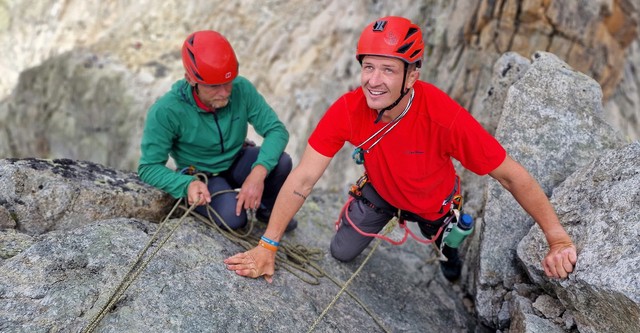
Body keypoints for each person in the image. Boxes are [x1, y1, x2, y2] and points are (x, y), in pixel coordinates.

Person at [224, 16, 577, 283]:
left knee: (446, 246)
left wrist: (557, 238)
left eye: (388, 70)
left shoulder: (444, 117)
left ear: (412, 76)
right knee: (340, 252)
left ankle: (449, 253)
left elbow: (511, 175)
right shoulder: (349, 110)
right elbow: (303, 176)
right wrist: (268, 245)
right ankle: (393, 218)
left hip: (433, 202)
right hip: (381, 190)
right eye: (369, 67)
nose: (374, 81)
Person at [138, 30, 297, 232]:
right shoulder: (167, 111)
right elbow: (149, 167)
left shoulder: (241, 89)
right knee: (234, 218)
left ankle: (267, 211)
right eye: (213, 86)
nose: (224, 92)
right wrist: (186, 185)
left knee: (282, 163)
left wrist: (258, 174)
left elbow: (276, 130)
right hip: (203, 177)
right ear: (190, 79)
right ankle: (216, 201)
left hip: (237, 160)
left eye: (227, 83)